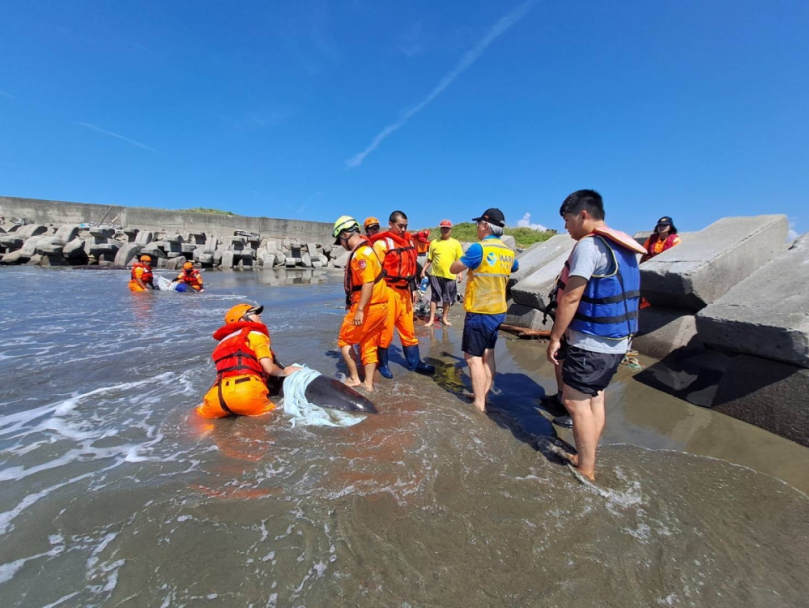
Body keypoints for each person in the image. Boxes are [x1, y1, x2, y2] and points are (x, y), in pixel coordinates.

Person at [545, 190, 645, 481]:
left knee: (575, 402)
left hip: (592, 341)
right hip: (618, 340)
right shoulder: (624, 246)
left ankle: (586, 468)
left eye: (567, 220)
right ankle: (586, 455)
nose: (566, 227)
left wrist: (555, 337)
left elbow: (571, 297)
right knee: (595, 398)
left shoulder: (590, 246)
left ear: (583, 215)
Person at [449, 208, 518, 413]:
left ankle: (479, 403)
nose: (477, 228)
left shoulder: (478, 249)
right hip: (497, 311)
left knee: (472, 358)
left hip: (480, 310)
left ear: (486, 225)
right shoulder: (508, 251)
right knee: (488, 354)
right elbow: (515, 266)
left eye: (478, 224)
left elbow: (454, 268)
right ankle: (483, 394)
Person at [196, 303, 301, 419]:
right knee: (273, 420)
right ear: (241, 319)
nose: (259, 315)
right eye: (254, 313)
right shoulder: (256, 335)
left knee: (202, 417)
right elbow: (269, 368)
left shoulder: (221, 344)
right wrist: (286, 371)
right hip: (246, 393)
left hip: (216, 397)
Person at [370, 211, 435, 377]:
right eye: (400, 226)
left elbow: (411, 269)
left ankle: (415, 362)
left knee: (408, 329)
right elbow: (373, 274)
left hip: (405, 292)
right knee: (386, 331)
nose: (403, 229)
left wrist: (413, 288)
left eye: (405, 226)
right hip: (388, 291)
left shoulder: (407, 242)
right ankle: (382, 364)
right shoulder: (381, 244)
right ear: (390, 224)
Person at [333, 215, 390, 391]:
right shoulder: (369, 249)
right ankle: (369, 384)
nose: (341, 244)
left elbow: (368, 282)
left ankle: (354, 378)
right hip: (381, 306)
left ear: (345, 235)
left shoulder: (360, 255)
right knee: (368, 343)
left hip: (369, 308)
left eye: (340, 240)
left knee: (345, 341)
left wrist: (359, 310)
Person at [421, 219, 464, 327]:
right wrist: (423, 270)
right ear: (440, 229)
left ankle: (444, 318)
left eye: (447, 228)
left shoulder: (456, 243)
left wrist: (460, 273)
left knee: (447, 299)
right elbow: (429, 259)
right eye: (443, 228)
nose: (445, 230)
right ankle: (431, 319)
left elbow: (460, 260)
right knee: (434, 298)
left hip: (450, 275)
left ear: (451, 230)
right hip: (436, 275)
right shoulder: (434, 243)